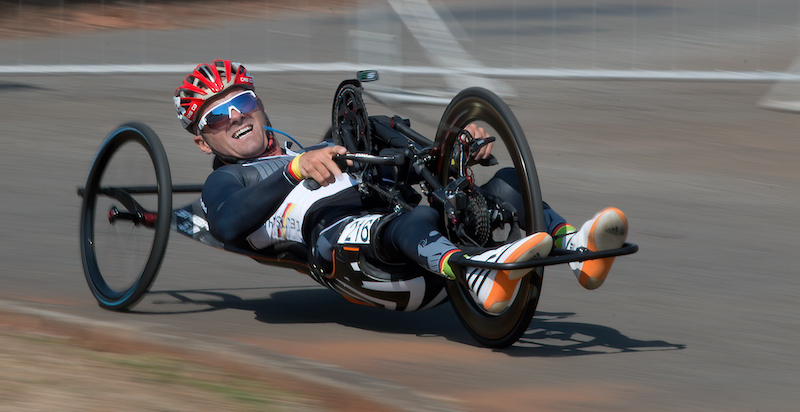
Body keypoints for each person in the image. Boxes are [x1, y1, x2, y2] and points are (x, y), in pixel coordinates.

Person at [173, 59, 629, 313]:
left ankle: (575, 246)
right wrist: (295, 171)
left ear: (259, 104)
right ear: (201, 140)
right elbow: (230, 223)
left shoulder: (308, 147)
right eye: (216, 115)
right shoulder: (225, 179)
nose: (234, 117)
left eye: (242, 102)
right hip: (348, 256)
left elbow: (393, 166)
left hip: (394, 225)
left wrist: (451, 154)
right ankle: (474, 272)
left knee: (506, 185)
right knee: (410, 221)